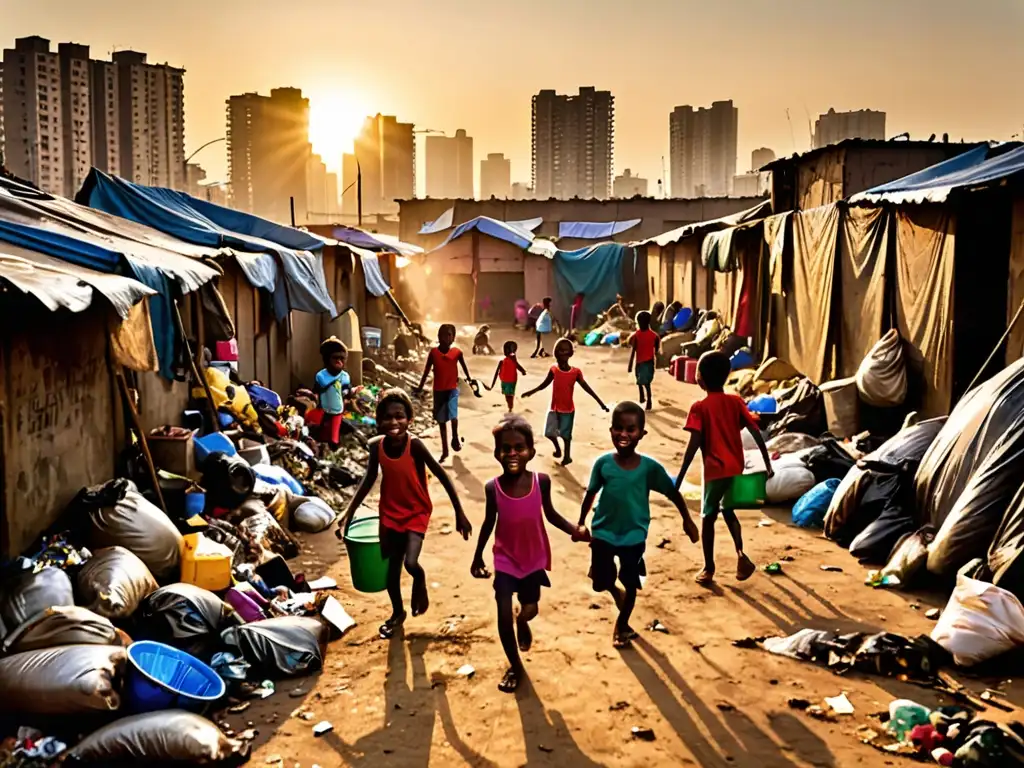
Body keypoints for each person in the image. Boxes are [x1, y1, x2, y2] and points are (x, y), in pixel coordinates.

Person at [337, 389, 472, 638]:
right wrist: (348, 513)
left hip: (416, 511)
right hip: (389, 513)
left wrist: (459, 513)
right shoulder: (377, 448)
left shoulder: (415, 445)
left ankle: (419, 582)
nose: (393, 423)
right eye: (387, 418)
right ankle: (397, 613)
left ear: (410, 419)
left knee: (411, 562)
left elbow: (443, 476)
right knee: (391, 571)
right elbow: (367, 481)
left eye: (399, 416)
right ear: (378, 422)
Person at [470, 415, 590, 693]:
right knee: (502, 613)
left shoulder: (541, 481)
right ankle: (515, 666)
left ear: (531, 452)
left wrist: (575, 530)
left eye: (519, 448)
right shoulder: (493, 488)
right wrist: (478, 556)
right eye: (506, 448)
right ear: (496, 452)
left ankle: (522, 622)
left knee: (529, 609)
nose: (512, 453)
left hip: (533, 558)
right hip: (505, 558)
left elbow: (550, 514)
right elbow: (489, 522)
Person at [579, 402, 700, 648]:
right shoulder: (603, 464)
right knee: (600, 581)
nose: (624, 434)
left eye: (630, 430)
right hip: (602, 531)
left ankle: (621, 625)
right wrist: (581, 523)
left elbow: (672, 492)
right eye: (619, 428)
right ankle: (614, 591)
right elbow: (591, 493)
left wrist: (687, 519)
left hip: (634, 534)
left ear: (641, 434)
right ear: (611, 430)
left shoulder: (649, 469)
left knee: (630, 579)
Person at [674, 351, 774, 586]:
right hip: (735, 467)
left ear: (700, 378)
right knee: (728, 511)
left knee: (708, 517)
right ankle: (741, 555)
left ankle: (709, 568)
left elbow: (694, 444)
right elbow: (754, 431)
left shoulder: (699, 407)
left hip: (715, 470)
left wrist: (680, 477)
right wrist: (767, 463)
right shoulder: (735, 401)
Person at [522, 337, 609, 466]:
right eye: (560, 350)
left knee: (566, 436)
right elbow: (544, 384)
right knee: (549, 433)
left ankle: (567, 456)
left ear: (570, 354)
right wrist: (531, 392)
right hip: (554, 408)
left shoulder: (575, 372)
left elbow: (587, 388)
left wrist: (601, 403)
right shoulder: (554, 370)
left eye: (566, 351)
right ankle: (558, 449)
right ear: (556, 352)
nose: (563, 353)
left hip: (568, 409)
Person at [415, 323, 474, 463]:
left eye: (449, 335)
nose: (446, 338)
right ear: (438, 336)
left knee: (453, 416)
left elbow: (465, 369)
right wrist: (420, 387)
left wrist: (470, 381)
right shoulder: (433, 353)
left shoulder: (457, 353)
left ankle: (454, 436)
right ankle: (445, 450)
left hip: (452, 390)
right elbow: (426, 371)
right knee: (441, 421)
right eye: (443, 335)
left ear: (453, 338)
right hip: (439, 391)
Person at [313, 336, 351, 450]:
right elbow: (321, 386)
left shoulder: (345, 376)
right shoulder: (322, 376)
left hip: (338, 410)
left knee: (334, 436)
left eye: (342, 358)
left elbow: (346, 391)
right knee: (323, 433)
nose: (339, 361)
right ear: (327, 359)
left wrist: (349, 392)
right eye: (335, 358)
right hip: (323, 410)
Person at [627, 311, 661, 411]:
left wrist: (630, 365)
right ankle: (645, 397)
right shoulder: (654, 336)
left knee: (642, 381)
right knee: (644, 381)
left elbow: (633, 349)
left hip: (641, 362)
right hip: (649, 362)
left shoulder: (636, 335)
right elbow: (657, 350)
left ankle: (646, 398)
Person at [489, 340, 527, 412]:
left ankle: (510, 408)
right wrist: (522, 371)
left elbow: (516, 364)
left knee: (509, 395)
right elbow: (497, 372)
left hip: (509, 380)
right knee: (508, 394)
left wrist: (523, 371)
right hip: (506, 380)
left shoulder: (511, 359)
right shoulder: (504, 361)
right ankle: (510, 407)